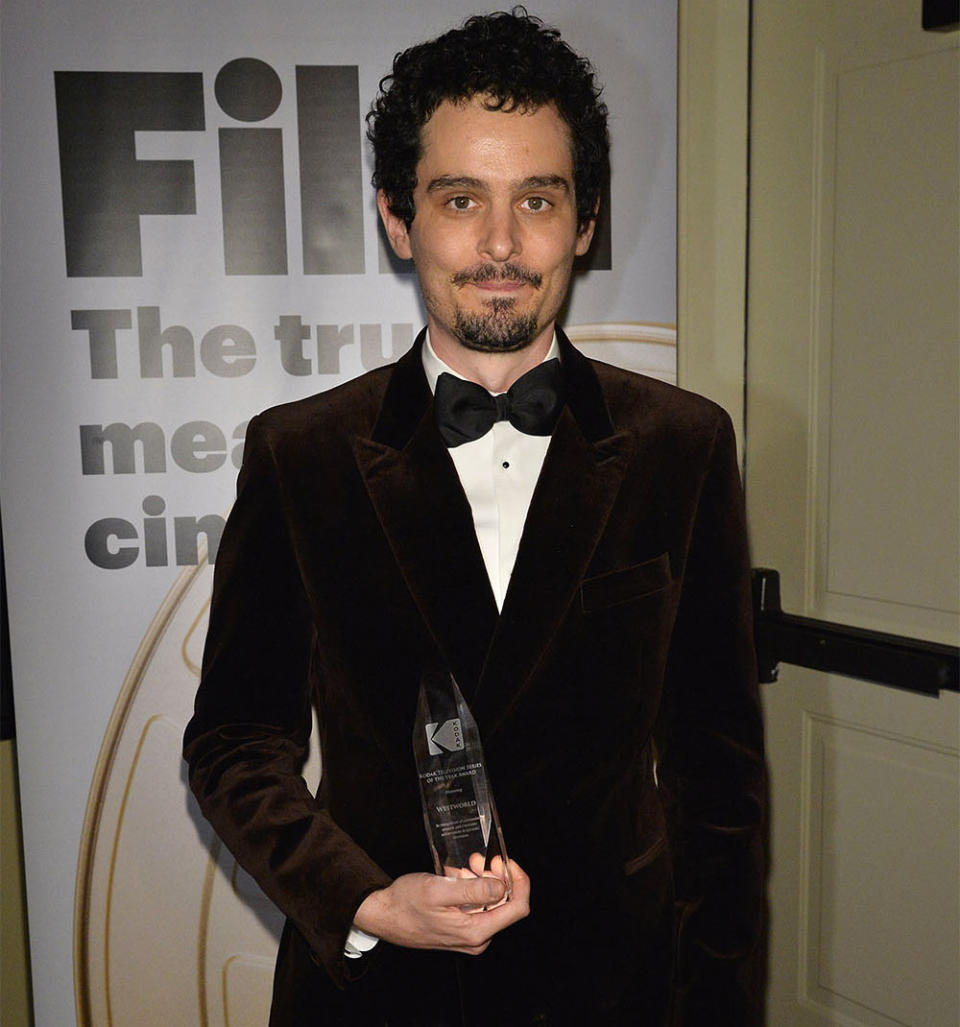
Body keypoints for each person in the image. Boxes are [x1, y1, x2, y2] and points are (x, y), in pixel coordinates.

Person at [183, 8, 767, 1025]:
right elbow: (234, 740)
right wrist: (363, 899)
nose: (502, 244)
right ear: (398, 219)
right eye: (461, 199)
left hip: (616, 991)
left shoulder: (685, 444)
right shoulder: (299, 452)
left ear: (584, 221)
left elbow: (720, 779)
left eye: (537, 200)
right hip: (376, 995)